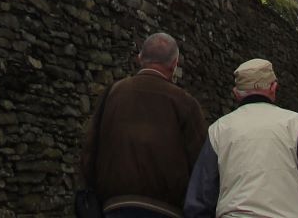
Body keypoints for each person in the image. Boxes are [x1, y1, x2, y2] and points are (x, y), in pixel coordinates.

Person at [80, 32, 208, 218]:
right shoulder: (185, 103)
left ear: (139, 58)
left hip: (114, 206)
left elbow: (90, 149)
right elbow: (201, 164)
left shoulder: (113, 94)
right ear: (174, 64)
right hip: (166, 210)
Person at [183, 58, 298, 218]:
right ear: (274, 87)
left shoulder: (219, 129)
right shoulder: (295, 124)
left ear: (236, 93)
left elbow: (201, 196)